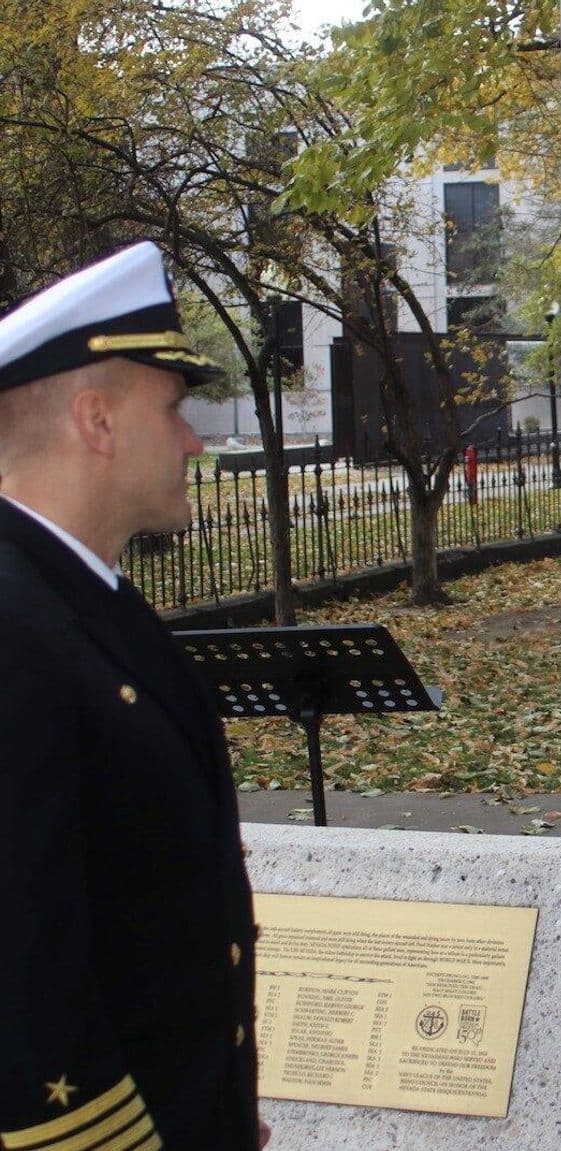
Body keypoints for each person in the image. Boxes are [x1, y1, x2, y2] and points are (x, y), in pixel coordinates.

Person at [0, 243, 266, 1149]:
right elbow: (23, 963)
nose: (195, 437)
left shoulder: (77, 595)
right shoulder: (13, 625)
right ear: (98, 422)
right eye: (175, 408)